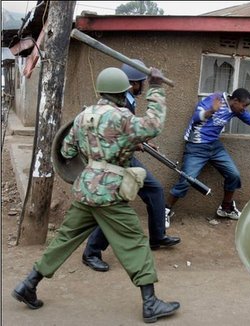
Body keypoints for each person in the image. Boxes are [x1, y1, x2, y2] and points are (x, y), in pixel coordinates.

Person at [11, 67, 180, 323]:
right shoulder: (121, 116)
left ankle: (28, 284)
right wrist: (156, 88)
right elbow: (152, 126)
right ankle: (150, 303)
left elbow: (67, 151)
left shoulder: (83, 116)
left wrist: (108, 149)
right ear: (121, 93)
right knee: (133, 241)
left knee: (64, 239)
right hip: (110, 192)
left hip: (86, 188)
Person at [81, 59, 180, 273]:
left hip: (125, 157)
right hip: (113, 161)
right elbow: (113, 135)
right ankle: (91, 252)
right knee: (114, 208)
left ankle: (157, 236)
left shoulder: (128, 99)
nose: (143, 86)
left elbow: (129, 131)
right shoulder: (122, 102)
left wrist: (140, 141)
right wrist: (137, 143)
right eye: (142, 83)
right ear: (134, 84)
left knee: (153, 190)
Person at [165, 87, 250, 222]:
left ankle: (226, 208)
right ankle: (165, 210)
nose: (244, 109)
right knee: (186, 179)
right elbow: (196, 117)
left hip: (215, 146)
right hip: (196, 146)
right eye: (244, 106)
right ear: (235, 101)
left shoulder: (236, 109)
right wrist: (212, 110)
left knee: (234, 175)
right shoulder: (216, 99)